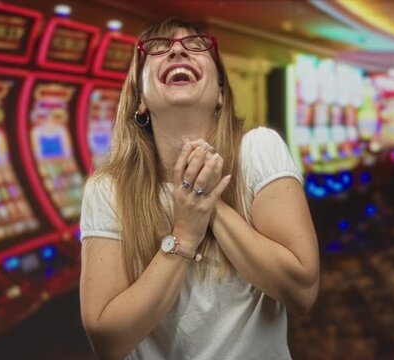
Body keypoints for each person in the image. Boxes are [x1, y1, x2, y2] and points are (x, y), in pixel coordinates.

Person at [79, 18, 320, 360]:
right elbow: (107, 339)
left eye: (195, 45)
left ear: (220, 93)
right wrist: (184, 235)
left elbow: (302, 291)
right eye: (159, 48)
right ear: (140, 100)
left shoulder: (257, 150)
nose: (177, 49)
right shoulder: (108, 189)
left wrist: (208, 202)